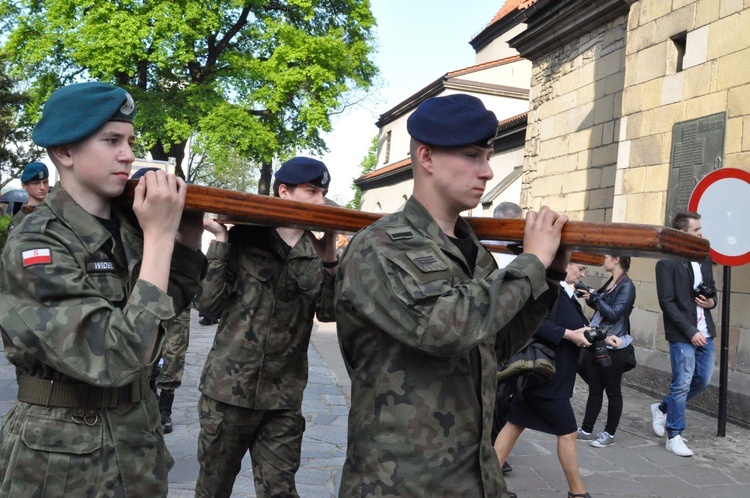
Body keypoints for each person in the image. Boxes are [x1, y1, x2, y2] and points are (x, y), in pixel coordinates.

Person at [335, 93, 569, 498]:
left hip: (473, 476)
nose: (488, 171)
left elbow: (495, 341)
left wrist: (550, 275)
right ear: (426, 157)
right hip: (400, 480)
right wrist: (530, 262)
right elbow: (444, 329)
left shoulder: (471, 248)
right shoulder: (381, 245)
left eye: (488, 156)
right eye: (472, 156)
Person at [0, 81, 206, 497]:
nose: (128, 155)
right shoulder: (35, 244)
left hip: (137, 443)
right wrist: (161, 238)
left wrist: (184, 239)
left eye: (129, 140)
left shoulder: (130, 222)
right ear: (65, 151)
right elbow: (116, 357)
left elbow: (169, 303)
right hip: (61, 457)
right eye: (112, 140)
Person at [193, 157, 338, 498]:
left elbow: (329, 313)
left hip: (282, 400)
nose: (320, 201)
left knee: (281, 492)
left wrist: (330, 255)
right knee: (212, 489)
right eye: (312, 192)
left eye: (324, 193)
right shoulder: (246, 237)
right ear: (284, 191)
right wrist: (220, 242)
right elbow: (208, 305)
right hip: (228, 393)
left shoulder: (314, 253)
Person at [494, 262, 593, 498]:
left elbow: (575, 326)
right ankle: (577, 493)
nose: (582, 273)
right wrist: (568, 334)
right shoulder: (548, 290)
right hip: (546, 376)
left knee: (514, 424)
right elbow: (534, 323)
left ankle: (487, 484)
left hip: (546, 374)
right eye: (579, 267)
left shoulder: (565, 294)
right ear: (564, 264)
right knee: (568, 432)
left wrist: (601, 336)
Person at [650, 211, 716, 457]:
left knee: (704, 379)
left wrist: (712, 303)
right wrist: (690, 331)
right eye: (695, 230)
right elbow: (666, 302)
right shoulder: (666, 263)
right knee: (681, 383)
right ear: (681, 233)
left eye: (700, 229)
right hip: (682, 334)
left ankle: (662, 408)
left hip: (706, 331)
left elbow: (712, 292)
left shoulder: (704, 258)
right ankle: (674, 435)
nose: (701, 234)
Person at [576, 255, 635, 448]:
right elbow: (602, 308)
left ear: (617, 259)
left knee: (613, 391)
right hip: (598, 340)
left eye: (607, 257)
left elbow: (614, 313)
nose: (603, 259)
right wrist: (589, 296)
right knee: (594, 388)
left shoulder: (627, 286)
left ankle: (609, 433)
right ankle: (586, 429)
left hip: (615, 345)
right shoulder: (612, 281)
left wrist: (595, 297)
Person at [489, 200, 523, 476]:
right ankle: (490, 450)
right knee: (494, 394)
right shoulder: (488, 248)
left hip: (513, 332)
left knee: (506, 395)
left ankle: (494, 449)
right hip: (490, 329)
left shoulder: (517, 250)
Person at [155, 307, 191, 433]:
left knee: (174, 355)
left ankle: (164, 411)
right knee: (146, 349)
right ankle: (151, 401)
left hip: (177, 302)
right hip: (147, 297)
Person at [7, 162, 50, 233]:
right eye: (36, 183)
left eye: (45, 182)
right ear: (24, 186)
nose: (42, 187)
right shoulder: (19, 219)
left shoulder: (57, 211)